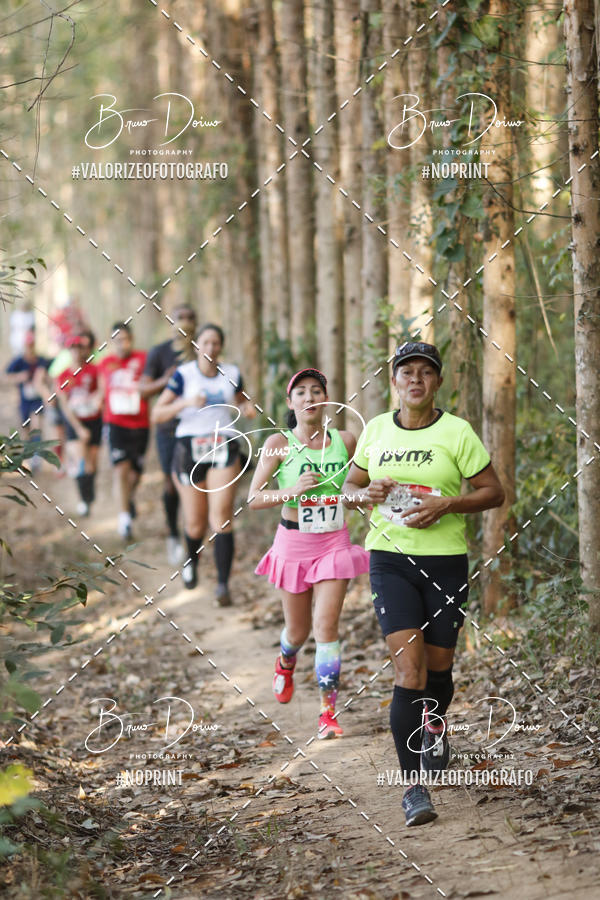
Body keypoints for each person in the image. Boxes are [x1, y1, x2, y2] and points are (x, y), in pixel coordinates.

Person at [342, 342, 504, 826]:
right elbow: (349, 488)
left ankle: (434, 721)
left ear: (437, 382)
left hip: (446, 563)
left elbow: (494, 492)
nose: (416, 379)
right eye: (407, 372)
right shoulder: (376, 430)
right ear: (394, 381)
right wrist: (362, 493)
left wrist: (447, 504)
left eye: (425, 372)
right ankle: (414, 787)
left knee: (438, 670)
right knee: (408, 672)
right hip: (390, 560)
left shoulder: (457, 432)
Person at [248, 368, 370, 740]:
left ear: (326, 399)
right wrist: (292, 491)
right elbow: (253, 498)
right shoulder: (278, 444)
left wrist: (361, 497)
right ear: (291, 402)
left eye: (316, 390)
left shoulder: (346, 440)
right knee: (298, 632)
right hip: (294, 543)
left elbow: (358, 484)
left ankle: (327, 713)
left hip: (333, 541)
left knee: (326, 627)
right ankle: (286, 660)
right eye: (300, 392)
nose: (309, 397)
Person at [151, 323, 255, 604]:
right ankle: (191, 562)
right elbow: (158, 413)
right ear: (197, 346)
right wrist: (185, 403)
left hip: (224, 445)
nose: (210, 348)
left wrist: (246, 408)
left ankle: (223, 586)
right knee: (196, 523)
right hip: (190, 448)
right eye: (205, 342)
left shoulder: (231, 373)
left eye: (215, 343)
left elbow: (243, 401)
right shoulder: (183, 375)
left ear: (221, 347)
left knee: (221, 517)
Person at [139, 304, 198, 565]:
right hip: (168, 429)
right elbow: (143, 390)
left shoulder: (201, 351)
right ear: (171, 322)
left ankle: (193, 537)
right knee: (172, 484)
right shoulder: (159, 352)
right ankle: (173, 534)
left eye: (189, 317)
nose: (185, 321)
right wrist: (166, 380)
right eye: (180, 317)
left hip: (198, 429)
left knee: (197, 484)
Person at [98, 323, 149, 539]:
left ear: (131, 339)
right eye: (117, 341)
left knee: (135, 474)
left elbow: (150, 385)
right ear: (111, 342)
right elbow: (102, 391)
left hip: (140, 423)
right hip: (116, 422)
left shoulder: (143, 359)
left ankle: (128, 499)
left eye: (125, 340)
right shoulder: (105, 363)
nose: (122, 344)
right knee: (121, 470)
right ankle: (124, 519)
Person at [54, 331, 103, 516]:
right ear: (68, 351)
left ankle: (89, 495)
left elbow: (102, 389)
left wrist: (98, 398)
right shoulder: (63, 375)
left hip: (94, 421)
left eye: (79, 347)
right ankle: (84, 500)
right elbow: (64, 405)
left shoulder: (94, 370)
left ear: (84, 349)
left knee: (92, 465)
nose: (76, 351)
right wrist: (79, 428)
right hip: (75, 423)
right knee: (81, 463)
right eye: (72, 348)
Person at [5, 330, 50, 442]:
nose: (30, 348)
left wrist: (43, 379)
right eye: (28, 345)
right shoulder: (18, 361)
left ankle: (37, 449)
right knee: (26, 429)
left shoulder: (41, 361)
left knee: (37, 424)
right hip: (24, 400)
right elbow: (5, 377)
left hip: (37, 399)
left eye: (32, 345)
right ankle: (29, 448)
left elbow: (49, 376)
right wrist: (19, 377)